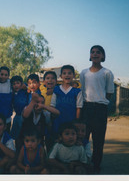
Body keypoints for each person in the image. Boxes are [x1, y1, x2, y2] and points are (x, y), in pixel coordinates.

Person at [80, 45, 114, 174]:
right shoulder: (84, 73)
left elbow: (109, 92)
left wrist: (99, 101)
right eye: (92, 52)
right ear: (89, 55)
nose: (95, 54)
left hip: (100, 109)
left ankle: (96, 165)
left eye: (98, 52)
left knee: (98, 139)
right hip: (86, 107)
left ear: (102, 56)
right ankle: (82, 162)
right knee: (83, 137)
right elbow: (83, 90)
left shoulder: (107, 73)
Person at [50, 65, 83, 136]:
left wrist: (76, 122)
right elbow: (52, 106)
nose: (67, 75)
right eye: (64, 73)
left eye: (69, 73)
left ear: (74, 75)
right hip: (58, 121)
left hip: (71, 121)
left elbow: (78, 108)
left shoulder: (77, 91)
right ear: (61, 76)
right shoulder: (56, 89)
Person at [0, 66, 13, 133]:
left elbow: (20, 85)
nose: (3, 76)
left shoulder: (10, 84)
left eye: (6, 75)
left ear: (8, 76)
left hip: (7, 118)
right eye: (1, 74)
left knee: (6, 137)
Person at [10, 75, 28, 140]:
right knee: (15, 136)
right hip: (17, 116)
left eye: (18, 83)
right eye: (14, 84)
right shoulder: (12, 93)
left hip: (25, 117)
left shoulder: (25, 92)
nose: (16, 85)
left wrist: (26, 86)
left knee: (24, 135)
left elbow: (30, 88)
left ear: (21, 84)